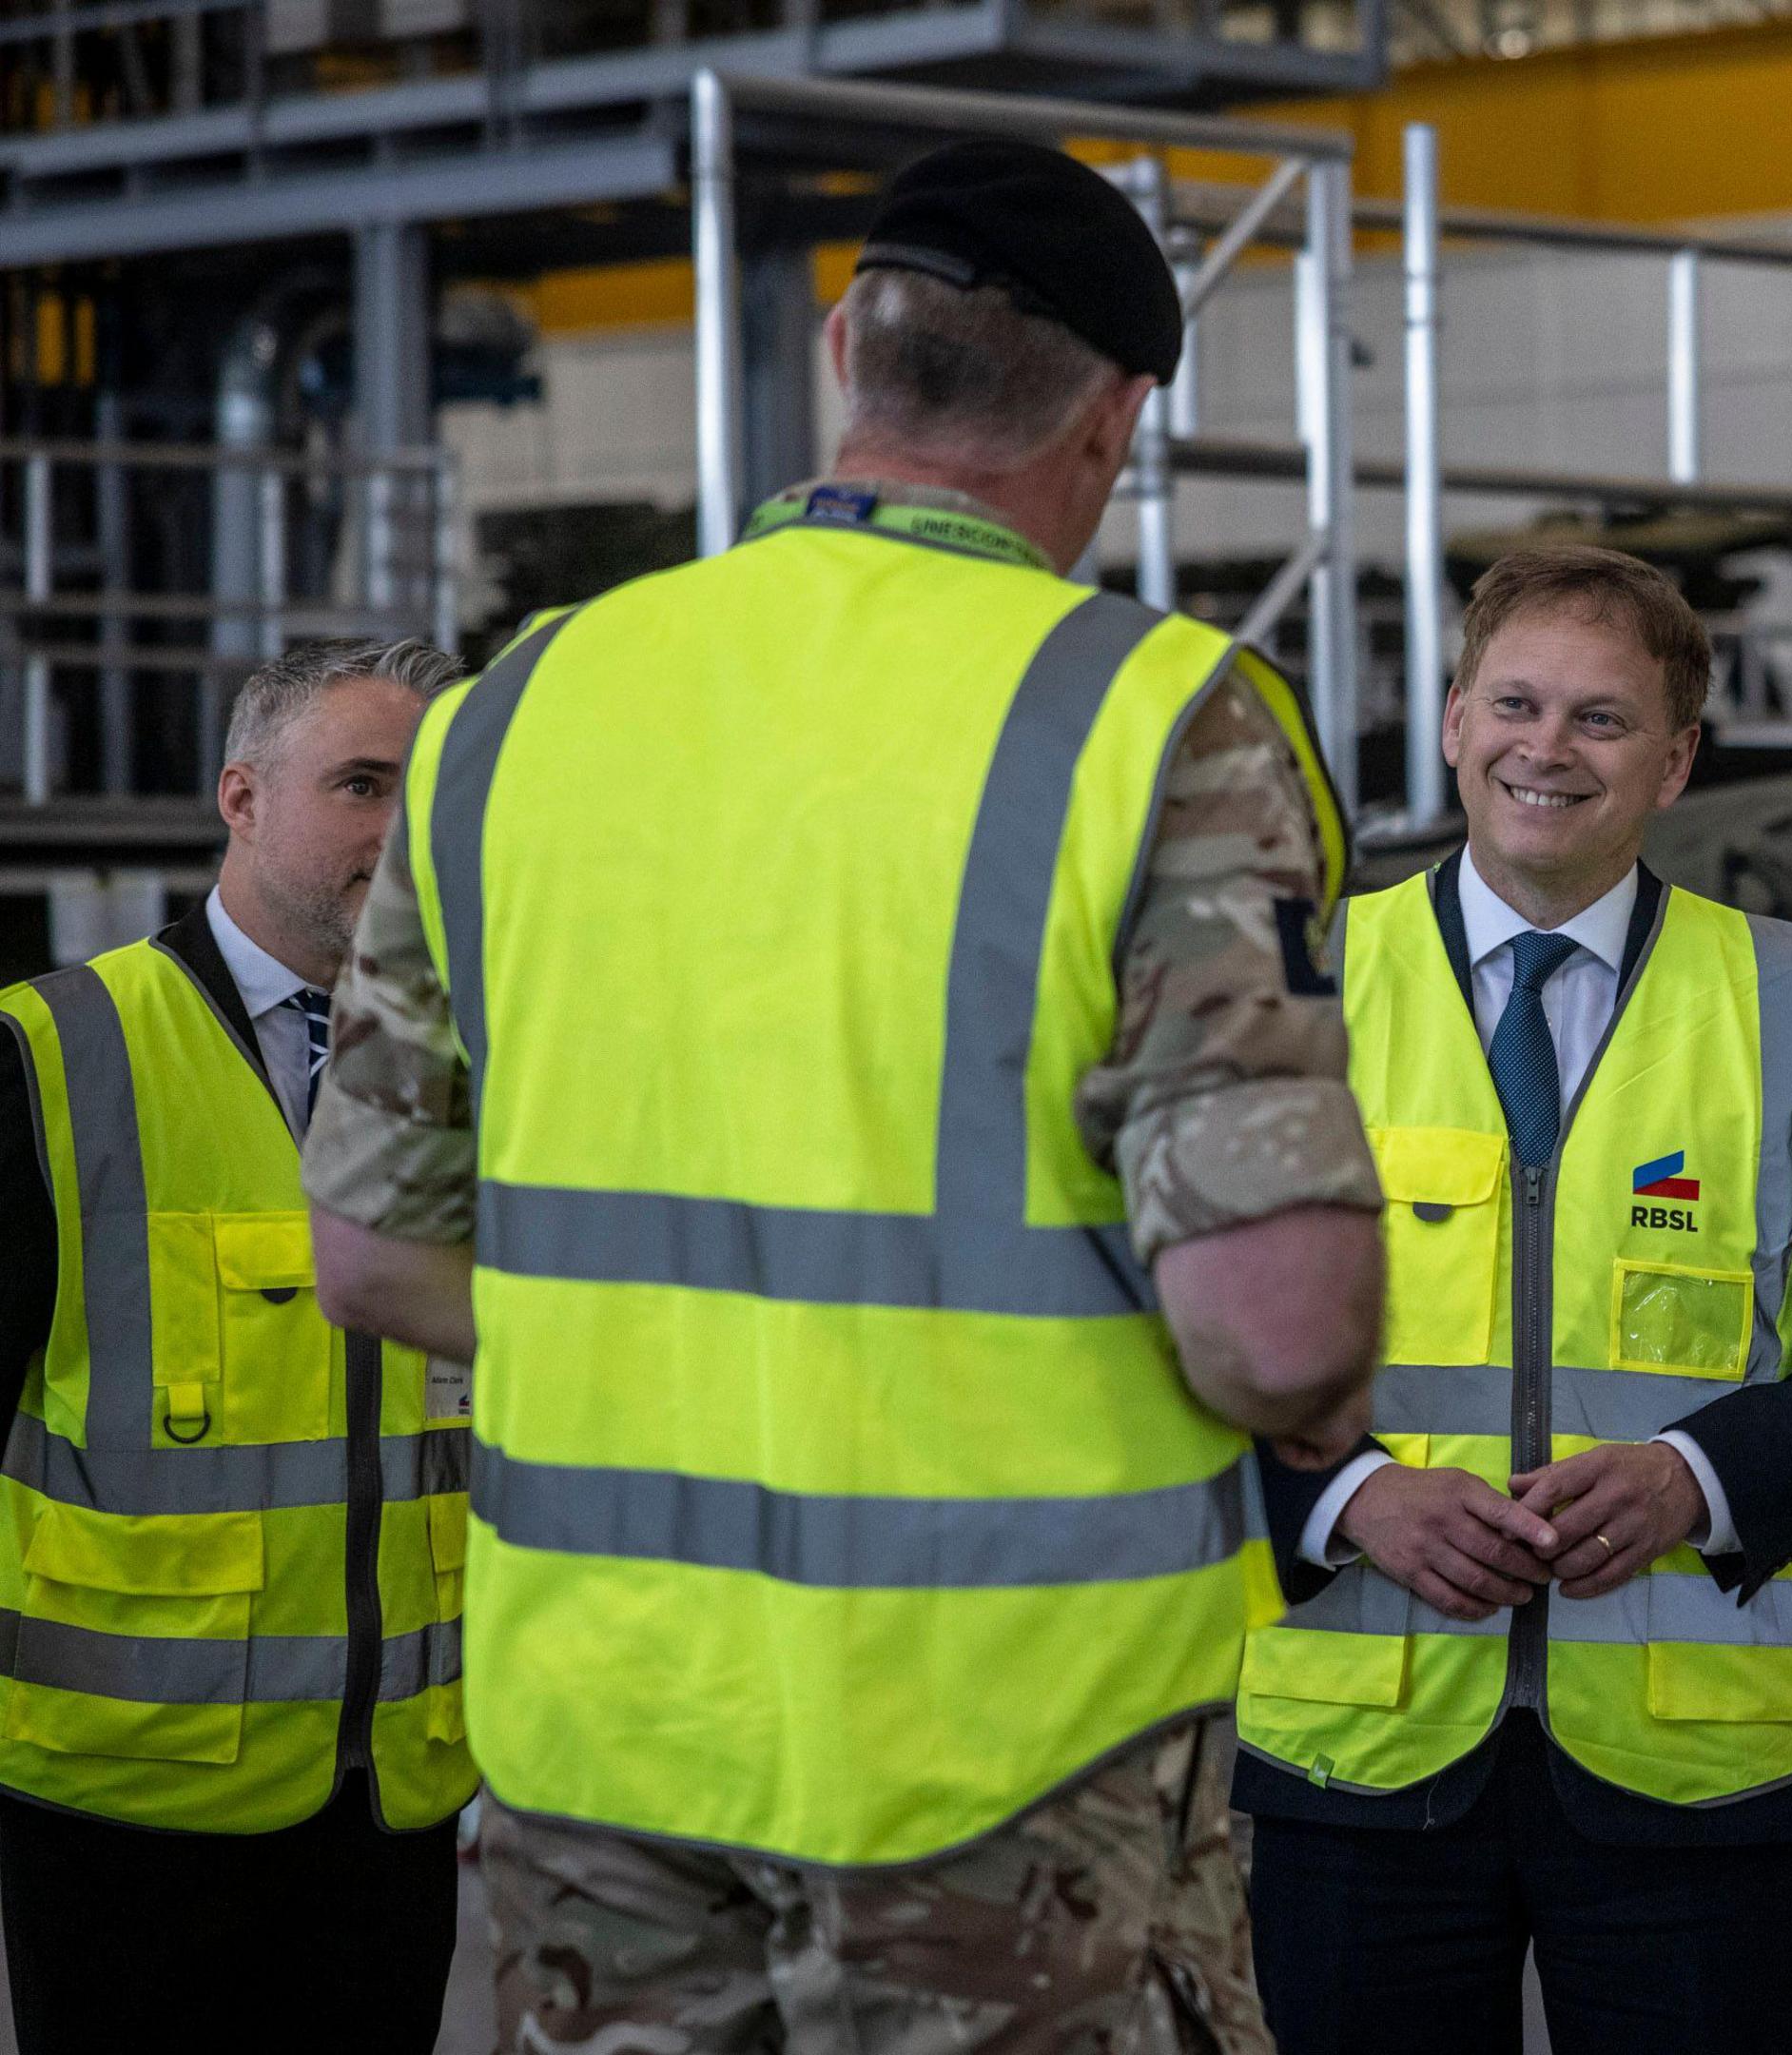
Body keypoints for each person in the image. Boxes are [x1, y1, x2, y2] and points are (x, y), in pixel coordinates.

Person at [300, 140, 1385, 2053]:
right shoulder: (1160, 714)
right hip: (1009, 1757)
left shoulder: (513, 716)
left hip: (604, 1743)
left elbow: (373, 1257)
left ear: (841, 354)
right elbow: (1277, 1328)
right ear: (1120, 416)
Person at [1237, 543, 1792, 2055]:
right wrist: (1347, 1500)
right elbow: (1161, 1331)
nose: (1544, 750)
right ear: (1451, 722)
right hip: (1359, 1752)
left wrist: (1701, 1477)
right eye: (1514, 704)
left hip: (1688, 1783)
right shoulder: (1299, 987)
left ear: (1677, 759)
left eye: (1601, 720)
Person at [0, 636, 473, 2050]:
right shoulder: (51, 1051)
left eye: (425, 790)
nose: (396, 830)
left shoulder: (494, 1065)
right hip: (123, 1803)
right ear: (242, 797)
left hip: (395, 1791)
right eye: (359, 784)